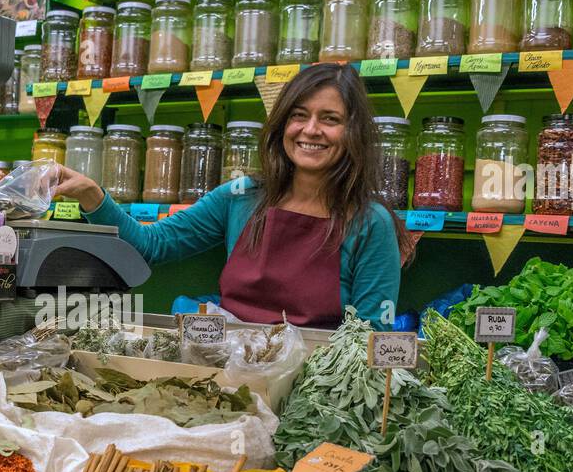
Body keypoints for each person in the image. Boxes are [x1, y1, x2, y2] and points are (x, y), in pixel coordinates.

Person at [51, 63, 406, 329]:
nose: (311, 130)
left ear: (353, 132)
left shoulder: (369, 222)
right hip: (230, 366)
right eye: (299, 116)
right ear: (282, 124)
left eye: (330, 119)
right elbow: (151, 244)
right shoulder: (242, 196)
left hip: (315, 383)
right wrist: (93, 196)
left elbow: (370, 334)